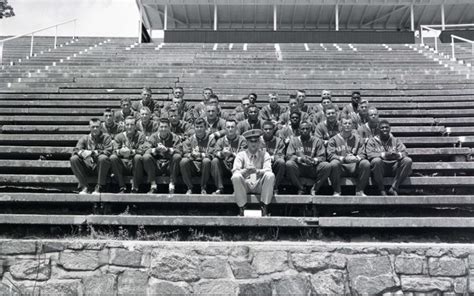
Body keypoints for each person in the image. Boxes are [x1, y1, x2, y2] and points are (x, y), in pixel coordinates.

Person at [231, 129, 275, 216]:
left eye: (256, 141)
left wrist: (257, 171)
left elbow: (268, 169)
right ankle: (242, 207)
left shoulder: (264, 154)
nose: (253, 144)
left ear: (259, 142)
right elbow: (235, 170)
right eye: (251, 141)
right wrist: (245, 171)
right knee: (236, 176)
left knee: (270, 175)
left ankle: (264, 206)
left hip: (259, 184)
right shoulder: (241, 155)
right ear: (247, 142)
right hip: (245, 184)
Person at [366, 120, 413, 196]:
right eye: (382, 128)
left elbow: (405, 153)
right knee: (376, 161)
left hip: (394, 167)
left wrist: (398, 155)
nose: (385, 129)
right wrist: (383, 155)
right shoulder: (372, 141)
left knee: (408, 161)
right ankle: (381, 189)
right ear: (378, 129)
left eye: (386, 127)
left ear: (390, 129)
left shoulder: (396, 140)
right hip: (380, 168)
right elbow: (369, 154)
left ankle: (394, 188)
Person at [327, 116, 370, 196]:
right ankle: (337, 191)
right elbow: (331, 155)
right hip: (341, 167)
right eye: (345, 123)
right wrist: (343, 159)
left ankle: (360, 191)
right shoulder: (333, 139)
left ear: (353, 126)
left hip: (354, 166)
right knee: (333, 163)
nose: (347, 125)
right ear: (341, 125)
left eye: (349, 123)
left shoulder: (358, 139)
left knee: (365, 163)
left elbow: (363, 153)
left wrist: (356, 158)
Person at [285, 121, 331, 195]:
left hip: (313, 167)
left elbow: (322, 157)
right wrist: (300, 159)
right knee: (289, 164)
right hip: (299, 167)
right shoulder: (294, 140)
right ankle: (301, 188)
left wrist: (314, 160)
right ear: (299, 130)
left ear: (310, 130)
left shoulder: (317, 141)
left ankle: (315, 189)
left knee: (327, 166)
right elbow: (289, 156)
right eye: (302, 129)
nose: (305, 131)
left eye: (307, 128)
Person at [70, 118, 112, 194]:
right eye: (93, 127)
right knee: (74, 159)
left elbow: (109, 151)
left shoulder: (106, 137)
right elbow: (75, 150)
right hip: (87, 166)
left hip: (100, 167)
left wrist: (93, 153)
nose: (95, 129)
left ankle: (99, 187)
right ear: (89, 127)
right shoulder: (85, 138)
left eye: (97, 127)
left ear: (101, 127)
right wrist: (82, 153)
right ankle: (84, 187)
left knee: (103, 158)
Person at [143, 118, 182, 194]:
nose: (163, 129)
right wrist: (156, 150)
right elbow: (145, 150)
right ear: (158, 128)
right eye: (161, 127)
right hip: (156, 165)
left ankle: (172, 185)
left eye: (165, 127)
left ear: (169, 128)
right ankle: (153, 185)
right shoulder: (153, 137)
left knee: (177, 156)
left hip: (169, 165)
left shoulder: (174, 137)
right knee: (146, 157)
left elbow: (180, 151)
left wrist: (167, 150)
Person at [110, 116, 146, 193]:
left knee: (138, 157)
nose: (129, 127)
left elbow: (142, 150)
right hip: (122, 163)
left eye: (132, 124)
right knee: (113, 158)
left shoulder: (141, 135)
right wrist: (120, 152)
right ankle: (122, 186)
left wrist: (131, 152)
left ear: (135, 126)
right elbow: (114, 150)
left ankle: (135, 187)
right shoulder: (119, 136)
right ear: (124, 125)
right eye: (127, 124)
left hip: (135, 164)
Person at [211, 119, 247, 194]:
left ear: (236, 128)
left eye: (232, 127)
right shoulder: (220, 140)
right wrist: (222, 154)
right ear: (225, 129)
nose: (230, 129)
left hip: (236, 166)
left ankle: (237, 189)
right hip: (224, 166)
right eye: (228, 127)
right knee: (215, 161)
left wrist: (231, 154)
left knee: (242, 161)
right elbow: (215, 152)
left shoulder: (242, 139)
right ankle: (219, 188)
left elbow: (244, 155)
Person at [180, 118, 215, 194]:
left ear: (205, 128)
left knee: (207, 161)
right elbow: (185, 153)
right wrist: (192, 155)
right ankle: (189, 187)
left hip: (205, 167)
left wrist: (200, 155)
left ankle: (203, 187)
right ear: (194, 128)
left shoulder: (210, 139)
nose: (199, 129)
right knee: (183, 161)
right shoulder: (190, 139)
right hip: (193, 165)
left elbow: (212, 154)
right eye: (197, 127)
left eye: (201, 127)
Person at [261, 121, 286, 195]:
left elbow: (281, 155)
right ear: (262, 130)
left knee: (281, 162)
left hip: (273, 165)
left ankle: (274, 187)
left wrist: (269, 157)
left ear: (273, 130)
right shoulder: (257, 140)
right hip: (260, 165)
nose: (268, 131)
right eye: (265, 129)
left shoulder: (279, 141)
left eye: (270, 129)